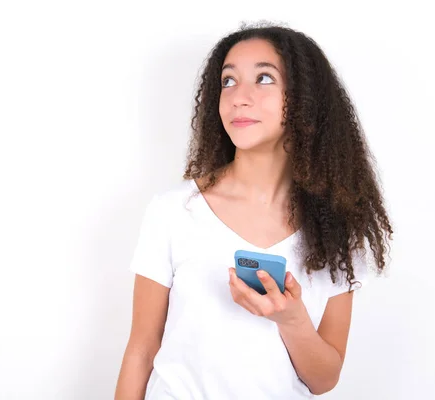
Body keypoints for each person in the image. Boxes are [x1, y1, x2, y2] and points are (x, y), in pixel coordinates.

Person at [115, 22, 393, 400]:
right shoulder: (174, 212)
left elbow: (324, 379)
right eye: (228, 81)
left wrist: (291, 319)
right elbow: (141, 349)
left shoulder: (335, 230)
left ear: (305, 100)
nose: (238, 97)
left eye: (264, 78)